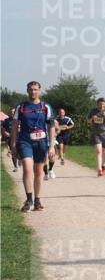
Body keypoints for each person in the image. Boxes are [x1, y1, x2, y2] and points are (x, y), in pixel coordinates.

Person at [10, 81, 57, 212]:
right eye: (30, 89)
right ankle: (29, 199)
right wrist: (13, 145)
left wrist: (52, 146)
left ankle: (37, 200)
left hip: (41, 143)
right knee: (27, 168)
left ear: (40, 90)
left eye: (35, 89)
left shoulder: (46, 107)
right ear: (27, 91)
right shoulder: (21, 107)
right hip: (25, 141)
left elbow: (51, 127)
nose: (33, 92)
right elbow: (14, 127)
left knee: (38, 172)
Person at [88, 98, 105, 175]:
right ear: (97, 104)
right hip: (96, 133)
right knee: (99, 151)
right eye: (100, 104)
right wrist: (92, 118)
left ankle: (103, 165)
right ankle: (99, 169)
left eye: (103, 104)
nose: (101, 105)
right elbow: (88, 121)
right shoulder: (93, 111)